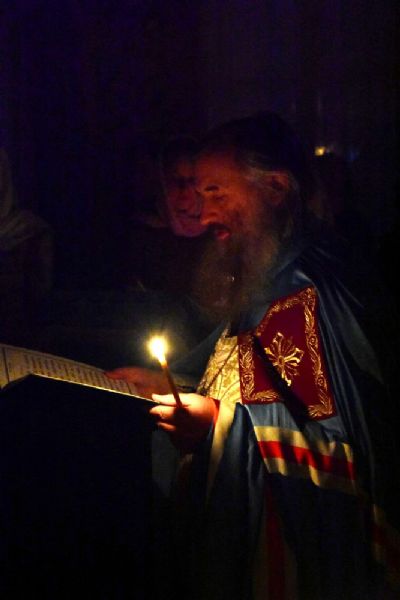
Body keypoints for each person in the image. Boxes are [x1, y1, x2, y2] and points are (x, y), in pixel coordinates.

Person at [107, 113, 400, 599]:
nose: (203, 214)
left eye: (217, 193)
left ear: (276, 188)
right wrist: (171, 383)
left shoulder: (304, 292)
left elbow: (341, 458)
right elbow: (244, 382)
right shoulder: (270, 278)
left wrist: (217, 427)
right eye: (198, 194)